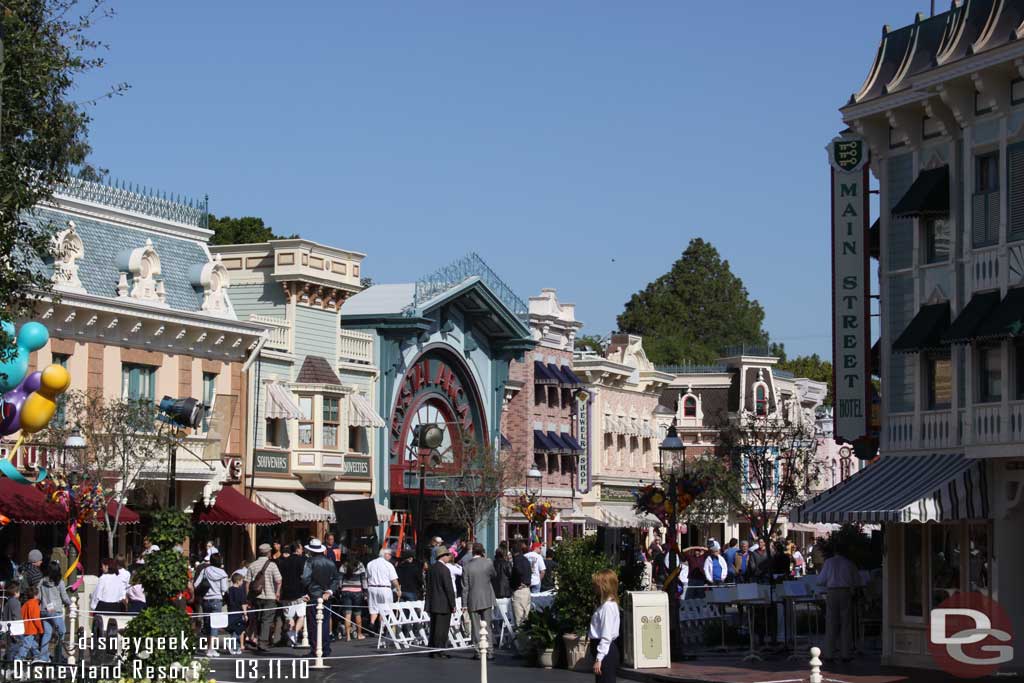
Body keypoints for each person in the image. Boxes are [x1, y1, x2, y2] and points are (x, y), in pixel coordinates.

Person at [818, 542, 860, 663]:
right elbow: (857, 580)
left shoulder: (829, 562)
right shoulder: (849, 563)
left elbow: (821, 580)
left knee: (831, 622)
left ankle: (829, 654)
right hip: (845, 592)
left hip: (832, 592)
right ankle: (846, 653)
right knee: (846, 623)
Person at [300, 538, 340, 658]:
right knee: (325, 623)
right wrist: (329, 591)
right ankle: (325, 648)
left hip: (313, 596)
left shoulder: (309, 562)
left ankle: (315, 649)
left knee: (313, 624)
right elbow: (336, 579)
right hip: (326, 597)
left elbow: (305, 578)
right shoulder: (330, 562)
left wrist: (308, 591)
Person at [246, 543, 282, 652]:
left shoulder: (252, 565)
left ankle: (257, 638)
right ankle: (263, 642)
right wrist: (277, 593)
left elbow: (247, 583)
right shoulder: (272, 565)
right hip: (270, 596)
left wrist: (248, 597)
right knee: (266, 620)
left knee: (258, 618)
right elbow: (279, 580)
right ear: (268, 552)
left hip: (256, 596)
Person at [462, 543, 496, 660]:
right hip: (486, 598)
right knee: (487, 626)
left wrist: (464, 604)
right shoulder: (488, 563)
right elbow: (493, 575)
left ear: (473, 552)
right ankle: (490, 651)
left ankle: (478, 651)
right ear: (482, 552)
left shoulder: (467, 566)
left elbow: (465, 587)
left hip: (473, 599)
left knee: (476, 627)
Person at [589, 569, 620, 683]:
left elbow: (606, 636)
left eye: (597, 584)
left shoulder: (607, 607)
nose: (594, 587)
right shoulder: (607, 605)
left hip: (605, 652)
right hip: (604, 650)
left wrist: (599, 658)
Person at [424, 549, 456, 658]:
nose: (449, 557)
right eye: (447, 555)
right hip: (443, 604)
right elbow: (449, 589)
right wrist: (453, 604)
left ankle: (432, 650)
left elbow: (428, 586)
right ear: (443, 556)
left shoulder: (431, 568)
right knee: (442, 629)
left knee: (434, 627)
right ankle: (440, 650)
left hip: (433, 602)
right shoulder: (445, 570)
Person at [197, 553, 229, 657]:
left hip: (205, 599)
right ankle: (212, 648)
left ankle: (208, 647)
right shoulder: (222, 573)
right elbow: (224, 588)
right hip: (217, 599)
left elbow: (196, 584)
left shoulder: (205, 570)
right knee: (215, 624)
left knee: (207, 624)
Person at [38, 561, 70, 664]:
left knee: (47, 633)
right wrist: (71, 604)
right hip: (55, 611)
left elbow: (38, 596)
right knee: (62, 631)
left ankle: (43, 657)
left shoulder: (42, 581)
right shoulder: (59, 582)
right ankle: (59, 655)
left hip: (44, 610)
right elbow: (65, 597)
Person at [277, 541, 307, 648]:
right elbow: (304, 577)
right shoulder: (302, 561)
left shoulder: (283, 562)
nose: (302, 550)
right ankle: (294, 634)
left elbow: (280, 578)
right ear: (298, 549)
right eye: (301, 548)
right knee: (301, 615)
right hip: (299, 592)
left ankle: (290, 634)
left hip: (286, 592)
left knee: (288, 616)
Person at [366, 548, 400, 630]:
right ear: (385, 554)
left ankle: (372, 623)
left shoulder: (370, 563)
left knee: (373, 608)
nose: (390, 557)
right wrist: (398, 589)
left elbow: (367, 577)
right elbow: (394, 580)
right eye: (390, 554)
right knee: (384, 609)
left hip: (372, 588)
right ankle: (381, 627)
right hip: (384, 589)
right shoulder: (388, 565)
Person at [338, 553, 368, 640]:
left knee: (347, 614)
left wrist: (340, 589)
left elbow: (340, 580)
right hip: (357, 592)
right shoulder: (360, 565)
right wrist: (365, 591)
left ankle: (347, 636)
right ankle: (359, 634)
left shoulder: (343, 566)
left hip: (346, 591)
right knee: (358, 614)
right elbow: (363, 579)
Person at [510, 542, 533, 629]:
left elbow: (518, 571)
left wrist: (517, 583)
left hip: (519, 590)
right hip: (527, 590)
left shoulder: (517, 560)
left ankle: (521, 641)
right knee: (526, 618)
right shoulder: (525, 559)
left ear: (513, 551)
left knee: (519, 620)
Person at [225, 570, 247, 655]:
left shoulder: (229, 590)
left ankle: (236, 647)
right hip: (238, 612)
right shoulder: (240, 590)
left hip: (231, 612)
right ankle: (231, 644)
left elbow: (226, 600)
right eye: (241, 581)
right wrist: (245, 613)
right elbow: (243, 603)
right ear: (238, 581)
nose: (242, 582)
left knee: (233, 629)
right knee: (239, 629)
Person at [19, 584, 43, 661]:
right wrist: (40, 629)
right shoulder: (34, 604)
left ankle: (38, 657)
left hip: (24, 628)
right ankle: (19, 659)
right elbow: (36, 618)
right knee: (26, 646)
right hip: (31, 629)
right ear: (36, 595)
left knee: (33, 645)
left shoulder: (25, 604)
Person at [2, 583, 21, 662]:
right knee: (15, 648)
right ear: (16, 593)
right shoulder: (16, 602)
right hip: (15, 629)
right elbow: (17, 616)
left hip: (7, 628)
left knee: (9, 648)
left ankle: (7, 664)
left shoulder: (7, 602)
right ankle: (10, 666)